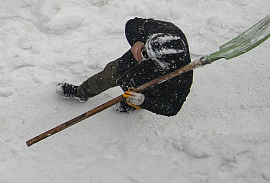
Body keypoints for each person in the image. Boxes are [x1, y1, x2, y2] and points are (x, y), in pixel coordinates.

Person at [57, 17, 194, 115]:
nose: (143, 56)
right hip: (126, 65)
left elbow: (172, 108)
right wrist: (138, 41)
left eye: (148, 56)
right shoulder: (165, 30)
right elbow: (133, 24)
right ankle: (81, 92)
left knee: (134, 98)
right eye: (145, 50)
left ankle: (131, 105)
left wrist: (144, 101)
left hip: (144, 87)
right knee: (104, 78)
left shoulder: (181, 77)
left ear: (163, 64)